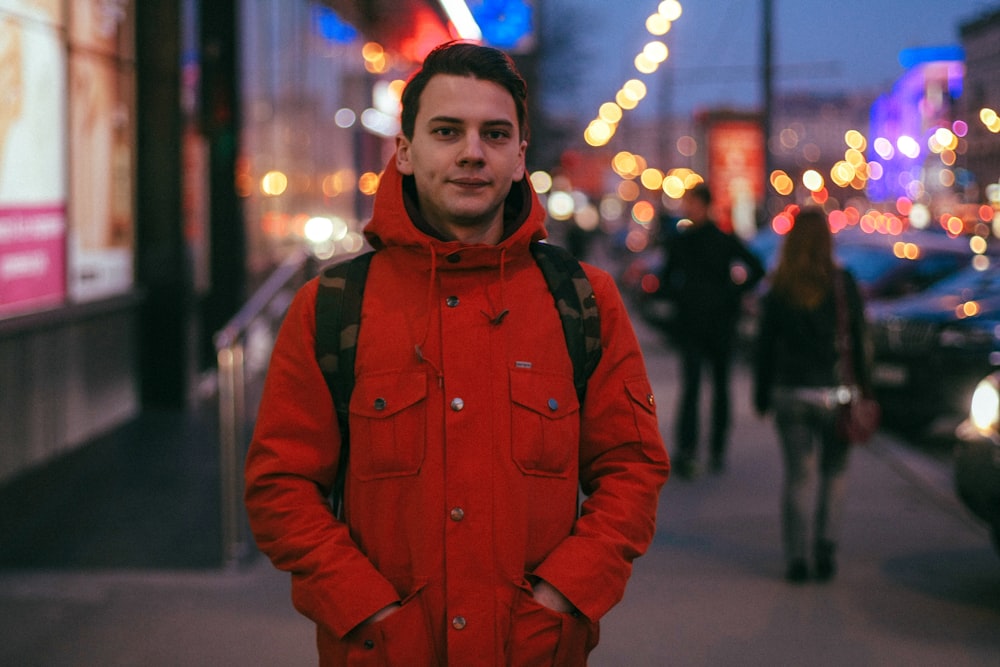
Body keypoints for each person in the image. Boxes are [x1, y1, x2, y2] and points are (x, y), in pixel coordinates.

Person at [244, 41, 669, 665]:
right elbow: (280, 486)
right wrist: (369, 611)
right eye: (447, 131)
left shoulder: (583, 300)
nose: (472, 152)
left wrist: (563, 596)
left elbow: (632, 469)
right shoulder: (332, 306)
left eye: (495, 134)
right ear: (406, 153)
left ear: (521, 157)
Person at [752, 207, 869, 584]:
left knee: (798, 476)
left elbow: (764, 346)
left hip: (790, 394)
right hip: (835, 395)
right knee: (835, 472)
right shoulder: (842, 283)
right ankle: (826, 548)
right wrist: (865, 389)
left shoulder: (779, 286)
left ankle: (797, 559)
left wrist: (761, 393)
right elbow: (859, 341)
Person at [659, 183, 764, 478]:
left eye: (690, 203)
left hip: (702, 323)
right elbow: (756, 269)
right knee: (708, 388)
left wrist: (683, 297)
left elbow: (666, 281)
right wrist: (732, 293)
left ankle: (697, 450)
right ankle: (706, 450)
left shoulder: (688, 241)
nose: (686, 209)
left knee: (705, 388)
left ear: (703, 205)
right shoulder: (718, 239)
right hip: (716, 322)